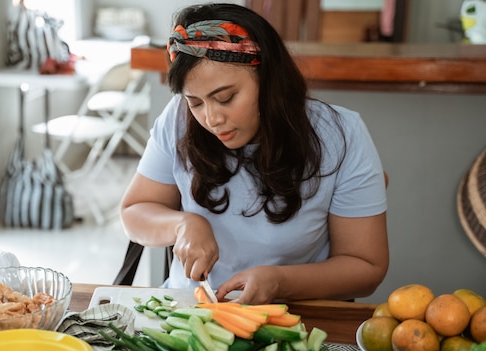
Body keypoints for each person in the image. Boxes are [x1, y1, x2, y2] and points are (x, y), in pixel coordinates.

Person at [120, 3, 389, 304]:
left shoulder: (341, 134)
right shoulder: (177, 119)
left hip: (289, 318)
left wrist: (279, 282)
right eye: (195, 102)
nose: (211, 119)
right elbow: (134, 212)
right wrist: (182, 224)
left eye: (226, 98)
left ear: (269, 80)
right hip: (189, 309)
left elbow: (367, 268)